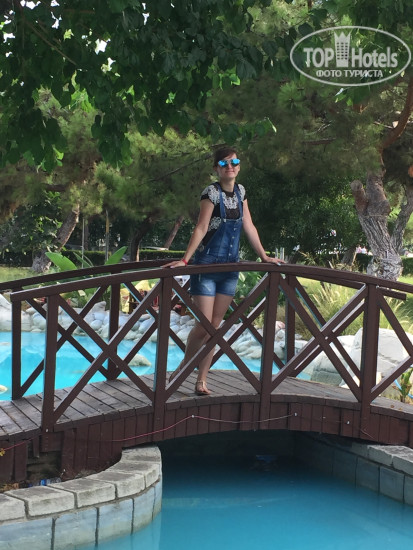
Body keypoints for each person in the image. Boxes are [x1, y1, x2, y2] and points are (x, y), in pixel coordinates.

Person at [164, 147, 285, 395]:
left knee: (215, 327)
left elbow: (249, 225)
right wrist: (185, 260)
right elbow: (202, 227)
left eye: (234, 162)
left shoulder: (241, 192)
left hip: (230, 269)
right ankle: (185, 366)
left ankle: (201, 380)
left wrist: (264, 256)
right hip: (207, 266)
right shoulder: (211, 193)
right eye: (224, 163)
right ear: (216, 168)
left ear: (239, 166)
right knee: (205, 326)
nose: (230, 166)